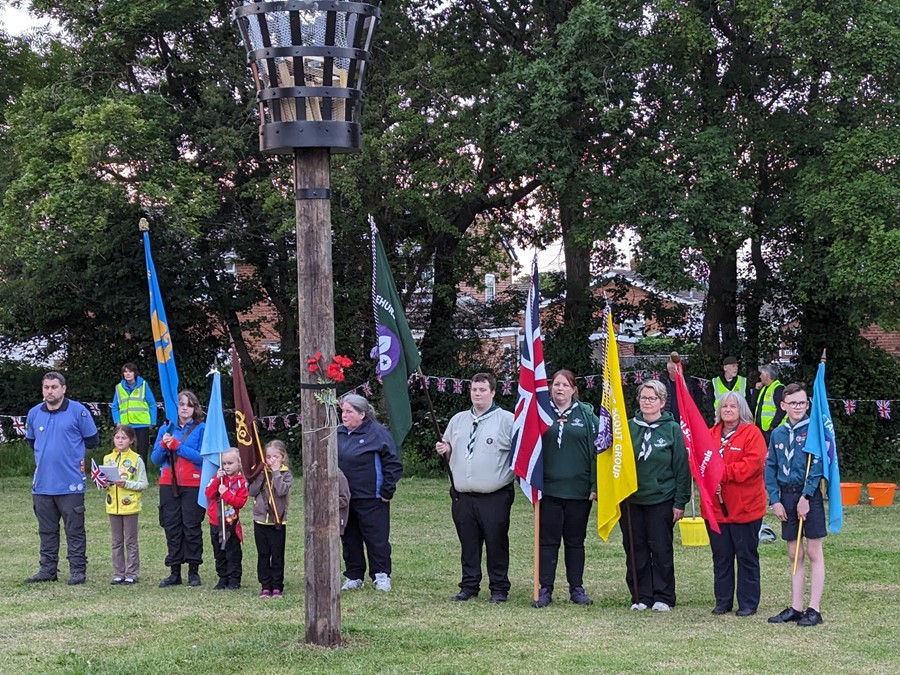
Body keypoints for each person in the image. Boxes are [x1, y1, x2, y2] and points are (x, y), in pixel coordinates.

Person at [436, 372, 515, 604]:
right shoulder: (458, 420)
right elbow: (451, 448)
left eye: (482, 390)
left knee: (495, 541)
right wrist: (445, 450)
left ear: (493, 392)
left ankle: (499, 587)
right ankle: (469, 585)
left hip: (494, 495)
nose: (477, 394)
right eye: (474, 389)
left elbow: (520, 452)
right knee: (468, 542)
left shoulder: (506, 420)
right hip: (462, 495)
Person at [24, 372, 100, 585]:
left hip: (70, 484)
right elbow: (31, 442)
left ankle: (77, 571)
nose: (50, 391)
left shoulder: (79, 412)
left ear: (64, 389)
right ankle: (47, 570)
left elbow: (92, 441)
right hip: (42, 485)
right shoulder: (33, 413)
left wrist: (73, 456)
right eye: (46, 387)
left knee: (74, 530)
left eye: (54, 387)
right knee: (46, 530)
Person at [624, 379, 691, 612]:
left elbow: (682, 467)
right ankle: (641, 596)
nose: (647, 402)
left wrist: (680, 501)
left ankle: (663, 596)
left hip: (661, 498)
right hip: (632, 500)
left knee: (660, 548)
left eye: (652, 398)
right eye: (644, 398)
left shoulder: (672, 429)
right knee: (635, 548)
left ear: (662, 402)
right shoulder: (628, 427)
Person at [534, 369, 599, 608]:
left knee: (575, 541)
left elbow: (599, 452)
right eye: (556, 385)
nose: (559, 389)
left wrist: (595, 485)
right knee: (548, 542)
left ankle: (576, 588)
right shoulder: (541, 412)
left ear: (573, 389)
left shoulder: (587, 415)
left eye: (564, 385)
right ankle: (545, 588)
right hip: (548, 491)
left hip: (579, 492)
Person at [765, 383, 827, 627]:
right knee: (794, 554)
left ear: (807, 404)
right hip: (786, 496)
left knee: (813, 551)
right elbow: (770, 468)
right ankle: (796, 607)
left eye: (802, 403)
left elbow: (818, 465)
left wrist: (806, 497)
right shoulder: (778, 434)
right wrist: (775, 499)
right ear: (783, 406)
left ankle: (814, 608)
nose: (798, 407)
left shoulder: (813, 431)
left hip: (807, 496)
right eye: (792, 403)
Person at [705, 392, 767, 616]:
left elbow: (752, 465)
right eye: (724, 406)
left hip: (745, 508)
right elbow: (699, 463)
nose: (728, 410)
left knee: (746, 555)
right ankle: (723, 601)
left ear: (742, 410)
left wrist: (721, 473)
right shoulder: (709, 435)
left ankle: (748, 602)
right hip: (715, 509)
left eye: (733, 406)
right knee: (721, 556)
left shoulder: (752, 434)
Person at [338, 394, 403, 592]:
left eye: (349, 411)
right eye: (343, 411)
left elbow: (393, 463)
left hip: (372, 497)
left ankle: (381, 575)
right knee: (349, 537)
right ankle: (354, 575)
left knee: (376, 538)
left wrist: (387, 491)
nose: (344, 415)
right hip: (346, 499)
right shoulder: (337, 433)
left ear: (362, 414)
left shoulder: (378, 433)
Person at [151, 390, 206, 588]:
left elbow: (202, 457)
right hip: (168, 483)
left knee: (191, 527)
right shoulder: (166, 428)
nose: (184, 407)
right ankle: (174, 571)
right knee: (171, 526)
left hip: (192, 483)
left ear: (194, 408)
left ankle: (193, 571)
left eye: (189, 404)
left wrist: (176, 446)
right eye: (181, 404)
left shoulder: (201, 428)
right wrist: (165, 446)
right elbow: (155, 459)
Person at [103, 424, 149, 585]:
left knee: (130, 541)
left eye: (124, 438)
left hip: (129, 506)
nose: (120, 441)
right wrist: (102, 483)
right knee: (116, 541)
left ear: (131, 440)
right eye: (117, 437)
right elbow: (106, 481)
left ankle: (132, 572)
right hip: (113, 506)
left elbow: (143, 483)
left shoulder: (136, 459)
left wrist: (127, 484)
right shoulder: (108, 458)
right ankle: (118, 572)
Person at [248, 439, 294, 598]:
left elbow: (281, 491)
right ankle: (265, 585)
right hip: (260, 520)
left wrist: (275, 473)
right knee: (263, 554)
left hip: (277, 521)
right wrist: (260, 475)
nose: (272, 460)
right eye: (268, 457)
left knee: (277, 554)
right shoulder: (261, 472)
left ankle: (277, 585)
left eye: (276, 457)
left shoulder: (285, 474)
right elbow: (252, 491)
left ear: (283, 457)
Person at [204, 448, 249, 590]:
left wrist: (225, 494)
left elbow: (240, 502)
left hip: (231, 524)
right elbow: (209, 493)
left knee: (232, 552)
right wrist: (217, 480)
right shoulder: (217, 478)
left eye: (230, 463)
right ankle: (222, 577)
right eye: (224, 463)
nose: (227, 466)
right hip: (215, 522)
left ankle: (234, 579)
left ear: (239, 463)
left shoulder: (241, 482)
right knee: (219, 551)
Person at [111, 363, 158, 466]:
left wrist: (152, 421)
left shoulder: (144, 385)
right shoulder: (119, 388)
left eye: (130, 371)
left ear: (135, 373)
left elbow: (152, 404)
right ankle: (126, 473)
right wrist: (117, 422)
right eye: (125, 372)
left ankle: (142, 476)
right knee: (125, 451)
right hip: (125, 425)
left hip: (142, 424)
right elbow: (115, 406)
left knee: (142, 452)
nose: (127, 374)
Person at [754, 364, 785, 442]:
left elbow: (781, 410)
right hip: (762, 429)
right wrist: (756, 390)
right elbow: (754, 405)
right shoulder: (764, 388)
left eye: (762, 374)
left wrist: (773, 426)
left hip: (772, 430)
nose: (760, 376)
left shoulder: (778, 388)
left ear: (767, 375)